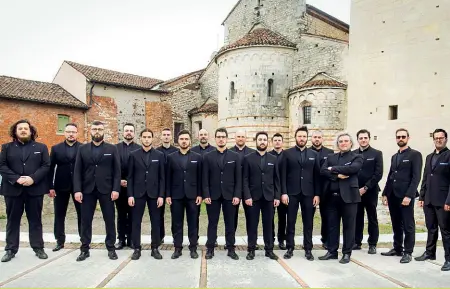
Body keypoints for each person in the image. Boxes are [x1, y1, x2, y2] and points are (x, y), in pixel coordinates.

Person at [0, 120, 50, 262]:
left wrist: (32, 178)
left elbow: (46, 165)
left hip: (34, 190)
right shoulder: (6, 148)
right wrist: (16, 179)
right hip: (13, 190)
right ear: (15, 132)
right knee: (12, 220)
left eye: (25, 128)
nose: (23, 130)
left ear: (31, 131)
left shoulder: (41, 147)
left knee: (35, 220)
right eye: (20, 128)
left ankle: (38, 247)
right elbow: (2, 166)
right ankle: (10, 249)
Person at [73, 121, 121, 261]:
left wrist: (116, 189)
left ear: (103, 131)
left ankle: (111, 248)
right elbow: (77, 171)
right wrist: (77, 190)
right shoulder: (82, 149)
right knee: (85, 220)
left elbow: (117, 171)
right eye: (95, 129)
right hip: (87, 190)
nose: (97, 131)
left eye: (100, 129)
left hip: (106, 190)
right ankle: (84, 249)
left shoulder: (112, 149)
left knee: (109, 219)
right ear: (90, 130)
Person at [319, 132, 363, 264]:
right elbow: (322, 171)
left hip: (349, 198)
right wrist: (337, 175)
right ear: (338, 144)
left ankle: (346, 253)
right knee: (332, 226)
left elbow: (353, 169)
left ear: (351, 143)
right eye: (341, 141)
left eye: (346, 141)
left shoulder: (357, 157)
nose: (343, 143)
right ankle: (332, 251)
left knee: (349, 226)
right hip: (332, 198)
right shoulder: (331, 157)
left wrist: (332, 169)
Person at [381, 128, 422, 263]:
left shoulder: (415, 155)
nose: (401, 139)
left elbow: (416, 177)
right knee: (396, 223)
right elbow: (390, 176)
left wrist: (409, 195)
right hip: (393, 194)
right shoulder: (395, 156)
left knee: (408, 224)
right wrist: (385, 193)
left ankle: (408, 252)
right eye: (398, 137)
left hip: (405, 196)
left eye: (403, 137)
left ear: (408, 138)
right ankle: (397, 248)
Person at [279, 126, 321, 260]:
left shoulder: (314, 155)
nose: (302, 138)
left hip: (309, 194)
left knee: (308, 222)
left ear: (307, 138)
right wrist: (283, 193)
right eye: (299, 136)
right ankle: (290, 247)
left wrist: (317, 194)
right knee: (290, 221)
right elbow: (283, 174)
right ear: (295, 137)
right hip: (292, 193)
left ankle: (308, 248)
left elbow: (317, 176)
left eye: (304, 136)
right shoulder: (287, 153)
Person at [203, 127, 241, 260]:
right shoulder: (208, 157)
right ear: (215, 138)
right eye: (218, 137)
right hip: (212, 196)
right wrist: (206, 194)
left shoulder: (234, 156)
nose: (220, 139)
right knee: (212, 223)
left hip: (230, 196)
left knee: (230, 223)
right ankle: (210, 249)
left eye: (223, 137)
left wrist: (237, 195)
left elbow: (238, 178)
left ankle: (231, 249)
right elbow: (205, 178)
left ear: (226, 139)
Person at [128, 128, 165, 260]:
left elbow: (162, 178)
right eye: (144, 137)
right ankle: (137, 248)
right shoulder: (133, 155)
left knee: (155, 221)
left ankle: (154, 248)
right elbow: (130, 177)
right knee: (136, 222)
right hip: (137, 194)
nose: (147, 139)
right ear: (141, 138)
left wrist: (161, 195)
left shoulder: (159, 155)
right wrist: (130, 195)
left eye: (149, 137)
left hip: (154, 194)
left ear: (152, 139)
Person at [416, 128, 450, 271]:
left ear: (446, 139)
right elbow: (425, 178)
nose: (438, 140)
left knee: (446, 231)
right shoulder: (429, 157)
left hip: (443, 201)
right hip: (429, 199)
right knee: (431, 228)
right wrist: (422, 196)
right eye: (436, 138)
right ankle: (430, 253)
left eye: (441, 138)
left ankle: (448, 259)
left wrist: (449, 201)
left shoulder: (449, 155)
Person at [243, 131, 280, 260]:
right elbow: (245, 179)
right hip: (253, 198)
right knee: (252, 224)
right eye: (260, 139)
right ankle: (251, 249)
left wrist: (277, 196)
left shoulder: (273, 159)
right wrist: (247, 196)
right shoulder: (248, 158)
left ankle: (269, 249)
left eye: (264, 139)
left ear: (267, 142)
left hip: (269, 197)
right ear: (256, 141)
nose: (262, 141)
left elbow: (277, 179)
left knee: (268, 224)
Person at [166, 130, 202, 259]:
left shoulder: (197, 157)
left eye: (186, 139)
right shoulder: (171, 157)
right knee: (177, 223)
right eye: (181, 139)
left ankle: (193, 248)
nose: (184, 141)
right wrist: (168, 194)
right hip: (176, 196)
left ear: (190, 141)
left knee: (193, 222)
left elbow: (200, 177)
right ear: (178, 141)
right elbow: (167, 177)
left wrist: (199, 194)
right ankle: (177, 248)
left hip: (192, 196)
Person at [48, 123, 82, 252]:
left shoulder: (83, 148)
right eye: (68, 132)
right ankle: (59, 241)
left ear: (77, 133)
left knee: (82, 214)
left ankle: (84, 239)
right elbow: (50, 168)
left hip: (78, 187)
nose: (71, 134)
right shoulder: (56, 148)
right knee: (59, 214)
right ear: (64, 133)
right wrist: (50, 186)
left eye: (73, 132)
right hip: (60, 186)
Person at [353, 129, 383, 254]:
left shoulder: (376, 153)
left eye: (365, 138)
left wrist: (365, 188)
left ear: (369, 139)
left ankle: (372, 244)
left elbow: (378, 174)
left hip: (370, 191)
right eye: (361, 138)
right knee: (357, 217)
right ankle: (356, 242)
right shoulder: (353, 154)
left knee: (372, 218)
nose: (363, 140)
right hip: (355, 191)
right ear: (358, 140)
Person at [115, 123, 140, 249]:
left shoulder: (139, 149)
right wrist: (119, 181)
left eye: (131, 130)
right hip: (119, 187)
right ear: (122, 132)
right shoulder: (115, 148)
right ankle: (121, 239)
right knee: (120, 215)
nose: (128, 132)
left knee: (133, 215)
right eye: (126, 131)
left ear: (134, 133)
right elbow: (112, 168)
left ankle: (131, 239)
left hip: (134, 188)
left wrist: (131, 182)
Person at [229, 130, 255, 244]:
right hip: (233, 191)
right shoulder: (229, 152)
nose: (240, 138)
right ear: (235, 138)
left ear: (246, 138)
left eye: (242, 136)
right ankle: (230, 242)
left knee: (251, 218)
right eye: (238, 136)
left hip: (249, 191)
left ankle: (252, 242)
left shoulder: (252, 153)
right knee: (232, 218)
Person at [310, 130, 334, 249]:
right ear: (311, 138)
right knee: (309, 217)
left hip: (326, 189)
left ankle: (326, 240)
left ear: (322, 139)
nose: (317, 139)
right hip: (311, 189)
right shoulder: (307, 152)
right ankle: (308, 241)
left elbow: (331, 170)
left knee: (327, 216)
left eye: (319, 137)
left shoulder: (330, 153)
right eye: (315, 137)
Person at [156, 128, 179, 244]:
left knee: (175, 215)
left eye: (168, 135)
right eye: (164, 134)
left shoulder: (176, 152)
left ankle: (176, 237)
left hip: (173, 186)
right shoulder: (156, 151)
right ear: (161, 137)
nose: (166, 136)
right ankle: (160, 236)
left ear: (171, 137)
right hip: (159, 186)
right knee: (159, 214)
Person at [269, 133, 287, 250]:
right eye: (275, 140)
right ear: (272, 142)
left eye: (279, 140)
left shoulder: (287, 155)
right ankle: (271, 239)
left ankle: (281, 240)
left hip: (284, 191)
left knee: (282, 217)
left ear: (282, 142)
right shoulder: (268, 155)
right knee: (270, 217)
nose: (277, 142)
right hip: (271, 191)